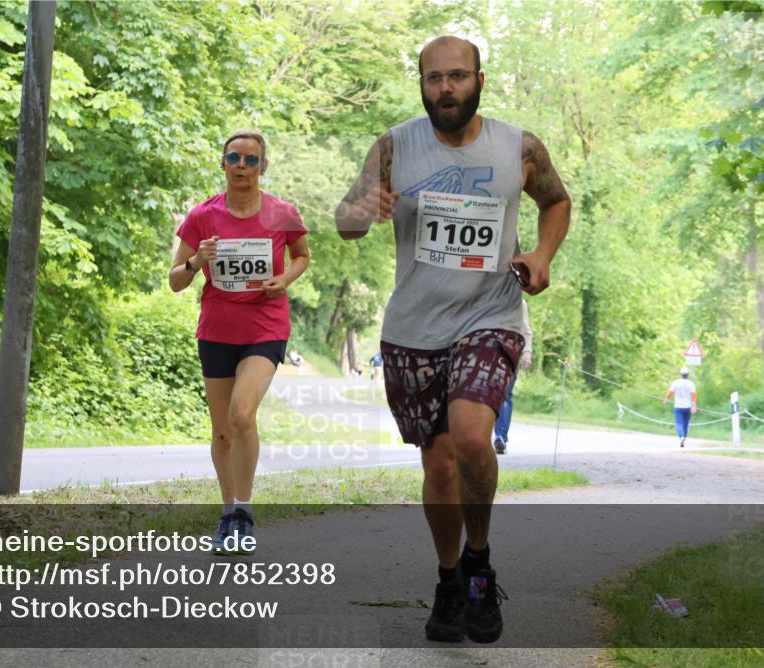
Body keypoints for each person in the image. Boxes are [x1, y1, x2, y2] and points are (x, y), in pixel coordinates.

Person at [335, 36, 570, 644]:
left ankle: (479, 566)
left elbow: (557, 201)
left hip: (491, 314)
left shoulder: (519, 147)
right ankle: (448, 580)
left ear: (480, 81)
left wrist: (542, 256)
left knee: (470, 437)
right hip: (414, 328)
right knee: (438, 467)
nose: (446, 88)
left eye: (458, 76)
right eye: (434, 78)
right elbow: (345, 223)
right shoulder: (393, 145)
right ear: (421, 82)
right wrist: (364, 208)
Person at [169, 130, 310, 555]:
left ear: (263, 167)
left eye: (252, 159)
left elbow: (302, 255)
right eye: (235, 158)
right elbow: (176, 281)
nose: (243, 166)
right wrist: (197, 261)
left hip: (265, 327)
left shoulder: (282, 213)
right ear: (223, 164)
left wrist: (283, 278)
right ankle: (227, 513)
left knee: (242, 414)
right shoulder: (203, 216)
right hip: (217, 330)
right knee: (222, 432)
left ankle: (244, 515)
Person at [492, 300, 533, 455]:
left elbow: (527, 330)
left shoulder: (519, 302)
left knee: (505, 395)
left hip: (511, 352)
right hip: (487, 352)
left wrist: (527, 354)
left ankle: (500, 437)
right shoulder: (487, 296)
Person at [664, 367, 697, 448]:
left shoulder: (676, 383)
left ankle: (681, 437)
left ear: (680, 374)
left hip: (678, 406)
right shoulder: (691, 384)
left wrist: (666, 399)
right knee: (686, 424)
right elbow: (693, 395)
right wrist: (694, 405)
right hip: (688, 407)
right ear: (688, 375)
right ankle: (684, 438)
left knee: (679, 423)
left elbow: (670, 392)